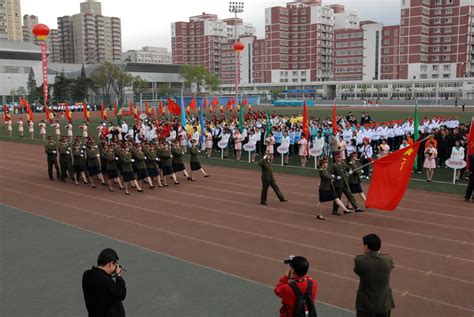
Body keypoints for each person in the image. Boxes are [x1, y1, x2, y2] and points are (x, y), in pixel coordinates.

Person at [354, 234, 395, 317]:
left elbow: (357, 271)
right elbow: (391, 265)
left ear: (366, 246)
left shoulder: (359, 261)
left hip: (365, 306)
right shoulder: (388, 259)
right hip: (384, 304)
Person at [82, 248, 126, 317]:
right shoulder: (107, 282)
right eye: (115, 265)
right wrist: (118, 276)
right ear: (110, 264)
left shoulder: (87, 275)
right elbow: (121, 294)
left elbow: (100, 280)